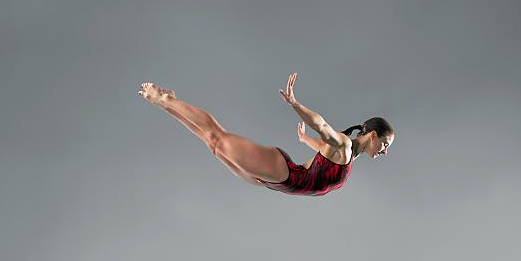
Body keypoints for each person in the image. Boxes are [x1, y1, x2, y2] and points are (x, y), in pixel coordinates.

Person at [138, 73, 395, 197]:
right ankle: (165, 98)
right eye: (384, 144)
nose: (385, 151)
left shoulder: (347, 155)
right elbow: (322, 126)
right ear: (372, 135)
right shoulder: (345, 147)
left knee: (213, 145)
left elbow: (322, 150)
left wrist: (304, 140)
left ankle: (164, 103)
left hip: (278, 181)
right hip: (284, 172)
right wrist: (296, 104)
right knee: (218, 138)